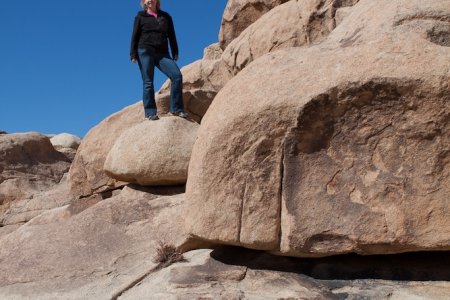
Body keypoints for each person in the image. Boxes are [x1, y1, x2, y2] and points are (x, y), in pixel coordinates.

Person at [130, 0, 187, 120]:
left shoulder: (166, 16)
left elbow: (171, 35)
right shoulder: (140, 16)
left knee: (177, 76)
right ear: (144, 2)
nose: (149, 1)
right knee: (148, 82)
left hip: (162, 53)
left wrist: (175, 51)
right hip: (145, 50)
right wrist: (133, 53)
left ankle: (176, 109)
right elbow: (135, 35)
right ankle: (150, 113)